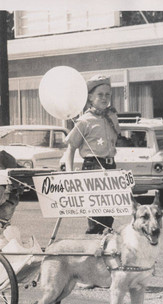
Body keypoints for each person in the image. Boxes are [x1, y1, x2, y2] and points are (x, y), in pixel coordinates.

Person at [63, 74, 121, 234]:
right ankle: (92, 246)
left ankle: (106, 248)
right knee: (96, 214)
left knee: (109, 212)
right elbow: (71, 148)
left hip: (110, 167)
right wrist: (69, 173)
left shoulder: (112, 117)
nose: (104, 98)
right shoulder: (85, 121)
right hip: (93, 167)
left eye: (107, 95)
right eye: (100, 95)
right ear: (90, 97)